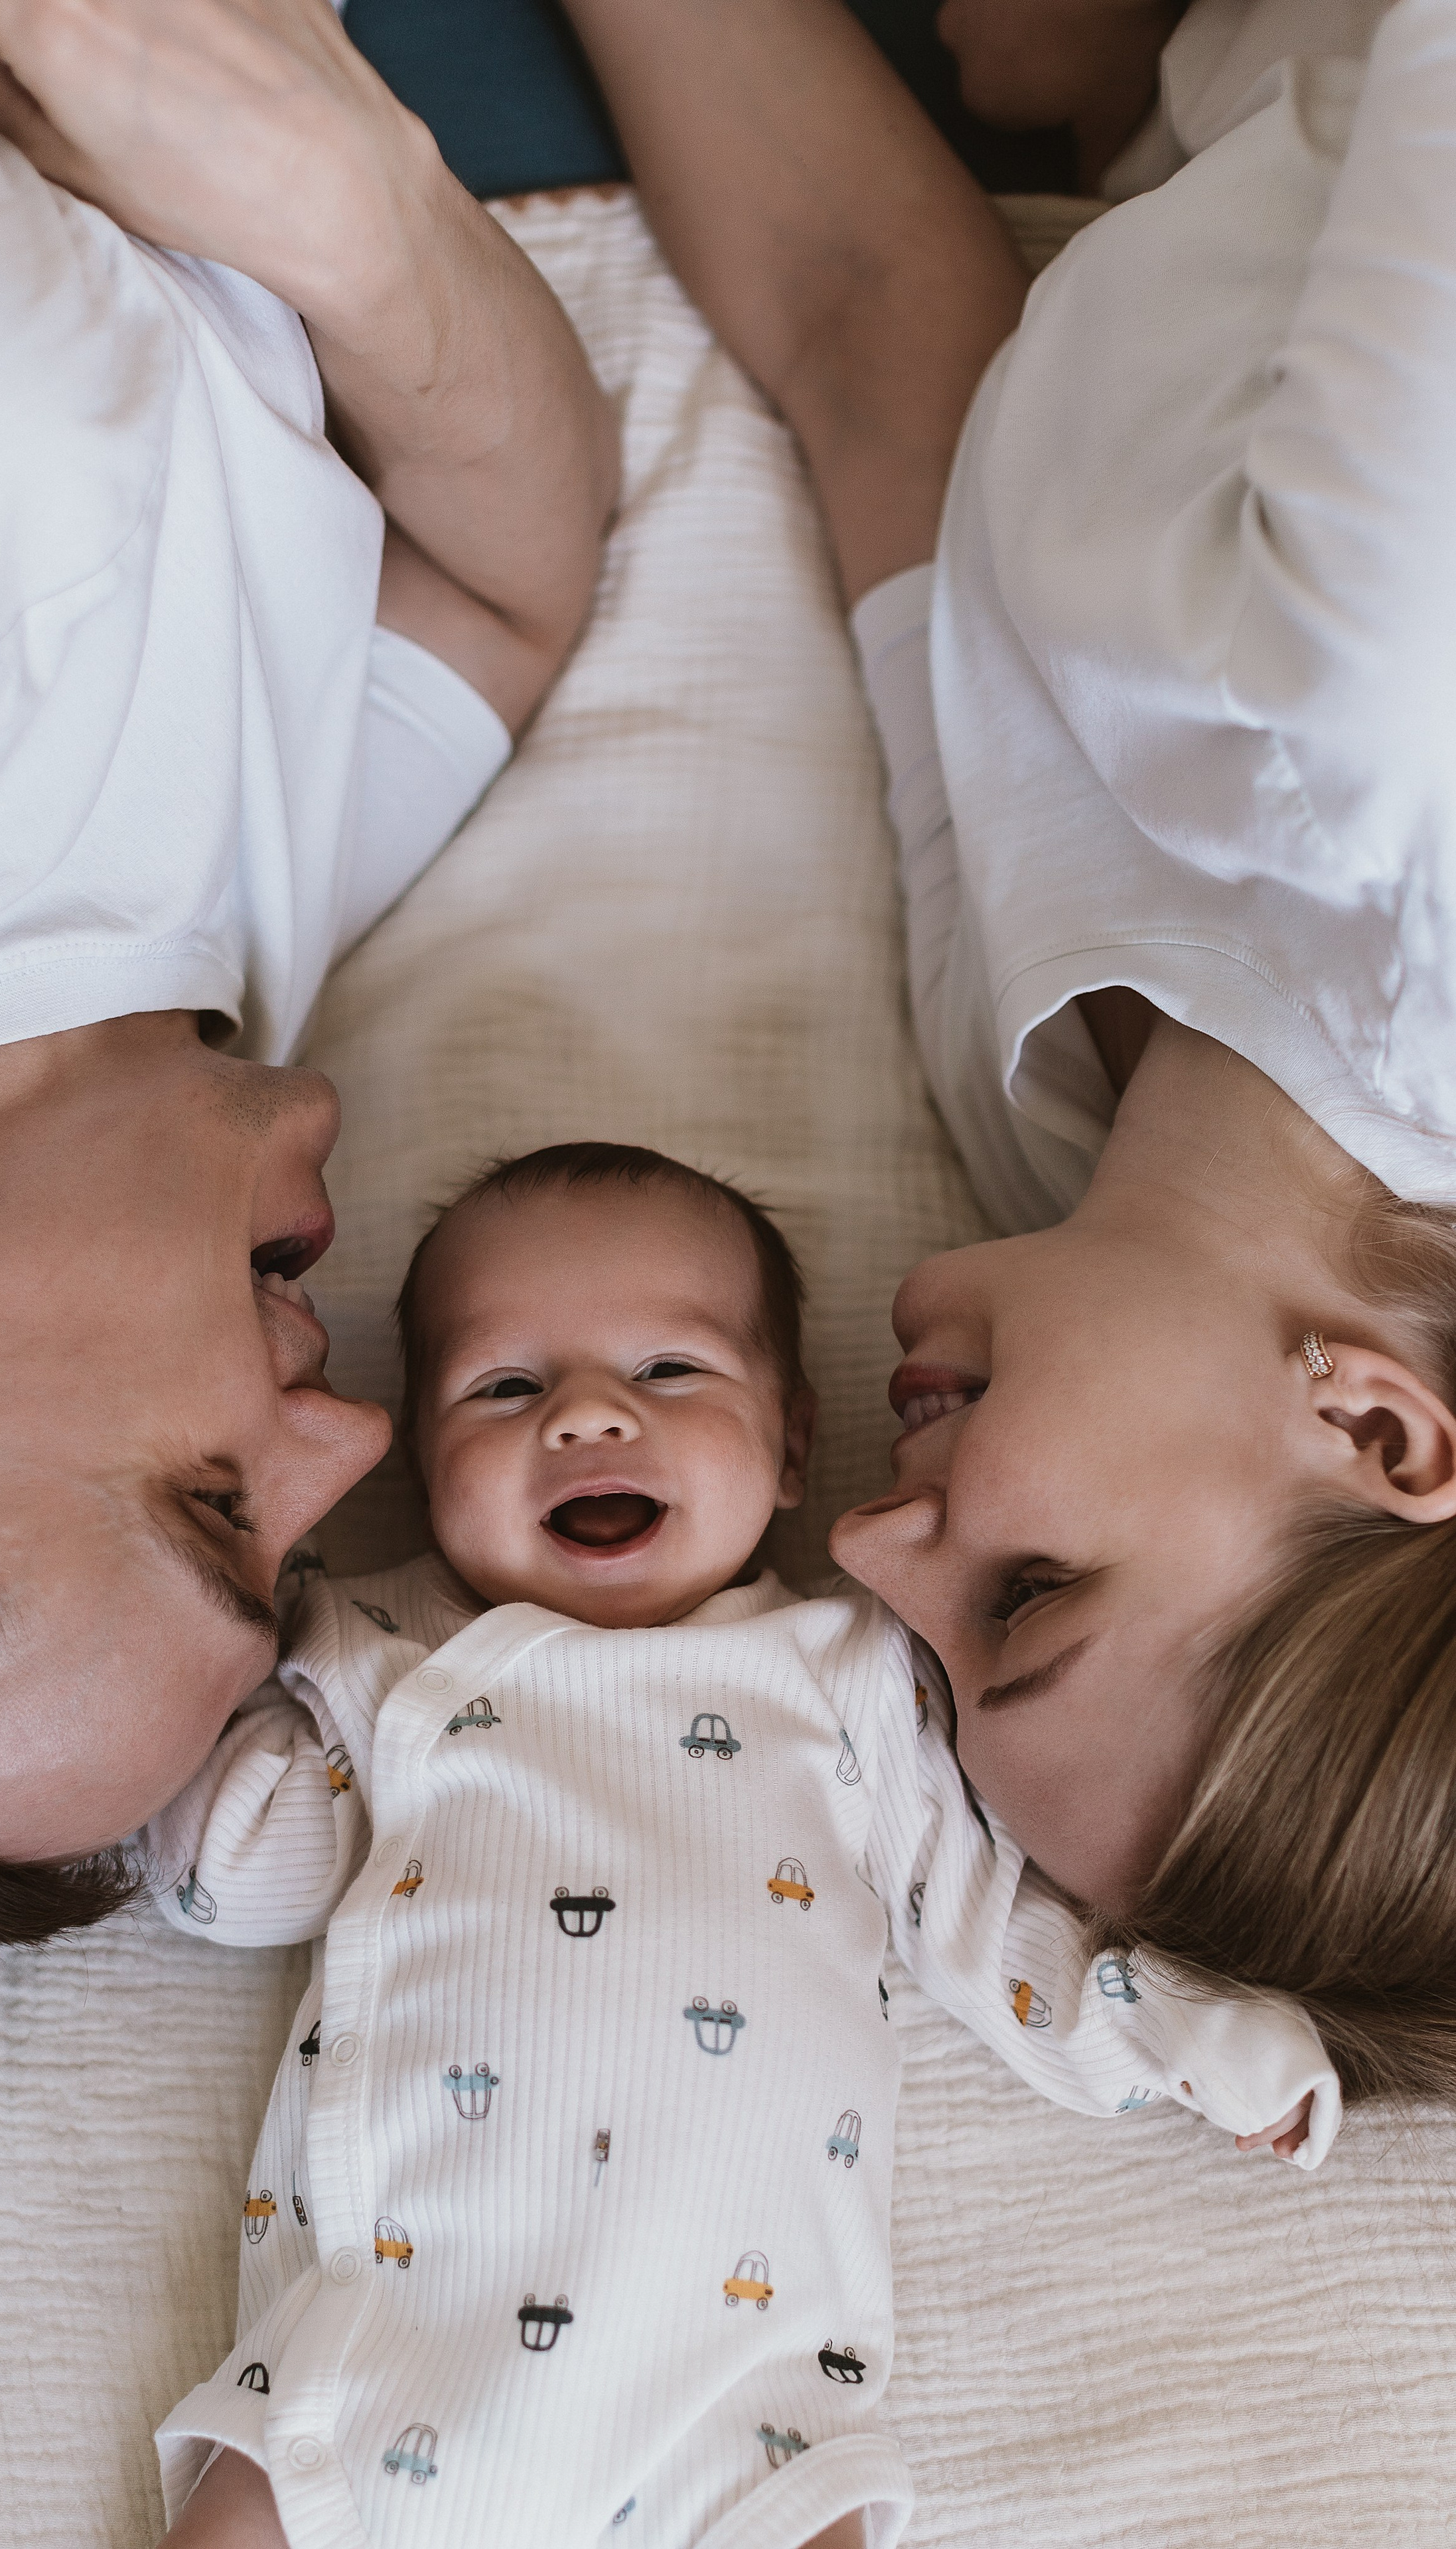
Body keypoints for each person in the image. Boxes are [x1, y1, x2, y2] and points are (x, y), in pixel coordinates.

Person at [538, 0, 1456, 2101]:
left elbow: (879, 336)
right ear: (1383, 1440)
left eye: (939, 1678)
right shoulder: (1400, 751)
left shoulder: (1047, 1109)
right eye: (1027, 1595)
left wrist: (1171, 109)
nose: (869, 1548)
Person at [132, 1145, 1332, 2549]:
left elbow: (987, 1919)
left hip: (739, 2385)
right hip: (395, 2325)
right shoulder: (380, 1652)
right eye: (505, 1386)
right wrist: (230, 1648)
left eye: (668, 1373)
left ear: (789, 1445)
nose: (585, 1415)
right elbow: (236, 1880)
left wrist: (1188, 2038)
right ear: (421, 1448)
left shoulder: (846, 1678)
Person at [0, 0, 617, 1942]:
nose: (358, 1439)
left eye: (218, 1504)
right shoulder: (198, 1005)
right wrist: (354, 207)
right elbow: (513, 583)